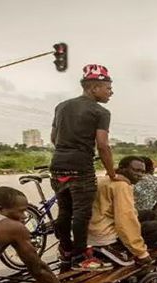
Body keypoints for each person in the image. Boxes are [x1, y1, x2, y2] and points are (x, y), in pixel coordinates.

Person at [49, 63, 120, 271]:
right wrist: (112, 174)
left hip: (58, 167)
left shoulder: (61, 106)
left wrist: (66, 152)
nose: (111, 92)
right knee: (81, 214)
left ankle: (66, 249)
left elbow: (54, 138)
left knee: (64, 211)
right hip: (81, 168)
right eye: (108, 87)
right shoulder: (100, 112)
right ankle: (82, 258)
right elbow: (103, 145)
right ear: (93, 88)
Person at [88, 156, 157, 266]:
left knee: (149, 214)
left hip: (95, 229)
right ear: (122, 168)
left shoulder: (102, 179)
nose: (140, 175)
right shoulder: (122, 186)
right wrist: (140, 252)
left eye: (142, 172)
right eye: (136, 170)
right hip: (108, 237)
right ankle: (126, 248)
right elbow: (125, 222)